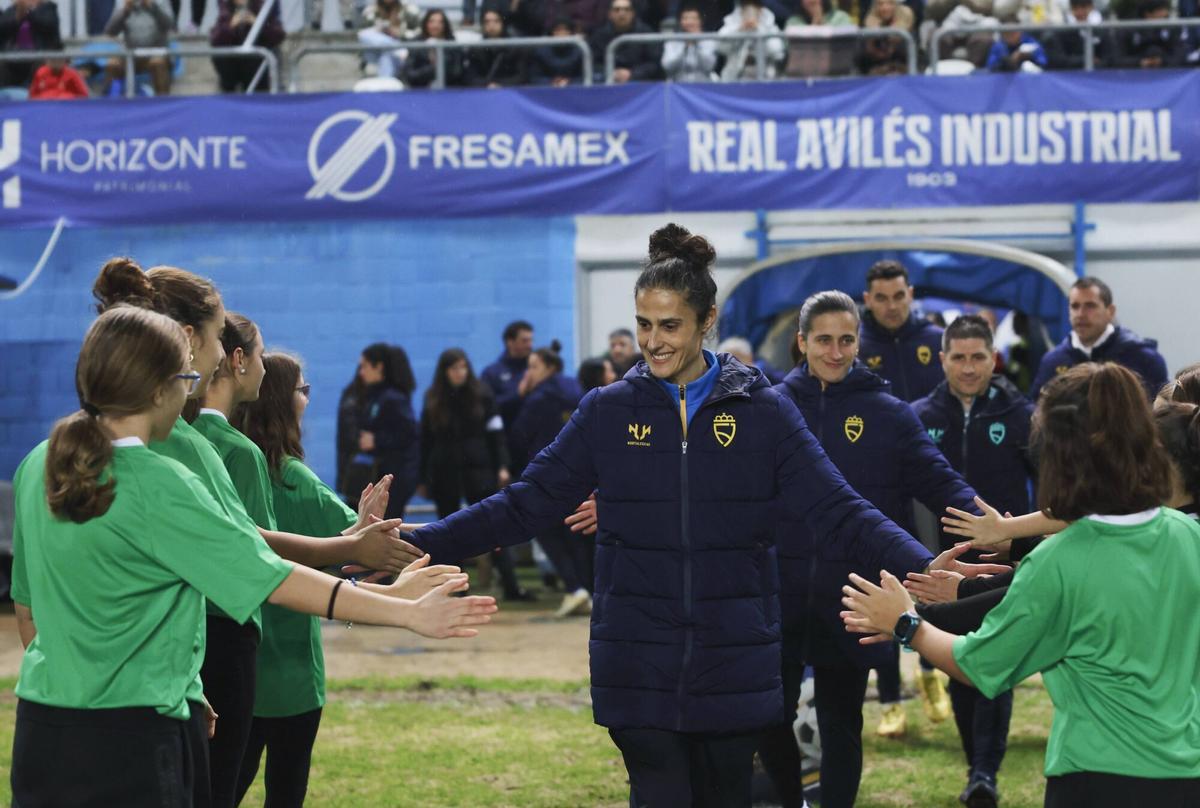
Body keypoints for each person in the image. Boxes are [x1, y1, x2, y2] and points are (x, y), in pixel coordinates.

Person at [397, 223, 937, 807]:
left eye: (670, 326)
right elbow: (525, 503)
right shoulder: (607, 412)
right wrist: (416, 542)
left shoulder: (765, 412)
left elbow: (841, 510)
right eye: (644, 325)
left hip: (735, 659)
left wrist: (929, 569)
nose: (653, 342)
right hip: (638, 661)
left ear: (707, 322)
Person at [8, 306, 496, 807]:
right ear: (159, 390)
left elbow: (33, 612)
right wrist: (403, 609)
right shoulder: (161, 482)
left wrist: (182, 688)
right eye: (186, 378)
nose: (190, 392)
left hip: (43, 728)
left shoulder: (37, 465)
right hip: (130, 737)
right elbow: (271, 576)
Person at [90, 259, 426, 807]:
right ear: (186, 346)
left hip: (72, 714)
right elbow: (253, 559)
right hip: (199, 664)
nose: (226, 355)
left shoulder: (47, 463)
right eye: (222, 337)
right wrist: (389, 597)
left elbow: (35, 617)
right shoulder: (187, 460)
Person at [842, 362, 1200, 808]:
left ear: (1058, 455)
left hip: (1097, 780)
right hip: (1187, 776)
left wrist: (905, 622)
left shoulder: (1059, 560)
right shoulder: (1187, 534)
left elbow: (980, 665)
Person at [758, 291, 997, 808]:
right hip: (777, 592)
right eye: (824, 339)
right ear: (801, 343)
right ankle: (788, 799)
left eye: (847, 340)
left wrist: (1000, 526)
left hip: (856, 595)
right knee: (768, 716)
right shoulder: (771, 408)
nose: (836, 351)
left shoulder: (888, 414)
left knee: (842, 720)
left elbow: (940, 482)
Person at [232, 351, 466, 807]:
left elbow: (351, 541)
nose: (307, 399)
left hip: (239, 664)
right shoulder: (291, 477)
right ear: (283, 400)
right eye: (303, 389)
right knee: (284, 788)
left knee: (221, 784)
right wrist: (471, 530)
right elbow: (371, 546)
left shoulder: (228, 465)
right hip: (289, 670)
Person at [911, 314, 1035, 808]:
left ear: (993, 359)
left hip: (1002, 567)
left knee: (996, 662)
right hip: (945, 565)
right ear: (942, 359)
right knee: (957, 665)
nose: (967, 367)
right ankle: (975, 766)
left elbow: (1050, 488)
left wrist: (1024, 541)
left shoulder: (1020, 413)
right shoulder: (919, 415)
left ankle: (986, 771)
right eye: (958, 357)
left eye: (977, 357)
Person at [417, 348, 533, 602]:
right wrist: (422, 478)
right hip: (445, 470)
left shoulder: (481, 394)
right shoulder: (433, 397)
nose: (459, 373)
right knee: (447, 530)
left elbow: (496, 435)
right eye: (454, 368)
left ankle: (511, 586)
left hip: (479, 469)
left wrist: (502, 466)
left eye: (463, 367)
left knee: (493, 526)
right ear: (445, 371)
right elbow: (425, 440)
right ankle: (456, 586)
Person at [509, 341, 592, 618]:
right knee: (576, 532)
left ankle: (573, 588)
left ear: (549, 367)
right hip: (580, 471)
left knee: (545, 531)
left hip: (546, 475)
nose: (529, 373)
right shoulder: (575, 389)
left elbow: (520, 436)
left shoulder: (537, 398)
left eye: (534, 367)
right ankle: (585, 590)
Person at [1029, 276, 1168, 401]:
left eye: (1090, 306)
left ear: (1110, 311)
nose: (1080, 314)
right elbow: (1037, 412)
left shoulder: (1142, 357)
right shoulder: (1053, 361)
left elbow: (1162, 414)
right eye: (1075, 306)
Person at [344, 343, 420, 520]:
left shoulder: (393, 398)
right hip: (381, 473)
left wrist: (377, 440)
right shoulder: (375, 396)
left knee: (383, 526)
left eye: (364, 366)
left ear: (379, 367)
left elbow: (409, 434)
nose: (360, 372)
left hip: (395, 477)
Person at [858, 259, 945, 403]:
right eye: (881, 298)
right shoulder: (855, 347)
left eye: (898, 296)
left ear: (910, 294)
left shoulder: (938, 340)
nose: (892, 306)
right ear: (867, 300)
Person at [209, 0, 285, 93]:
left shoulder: (262, 8)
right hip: (233, 69)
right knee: (222, 55)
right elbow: (216, 40)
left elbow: (278, 35)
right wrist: (230, 26)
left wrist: (257, 23)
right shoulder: (226, 11)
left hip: (259, 69)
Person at [102, 0, 174, 96]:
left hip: (156, 52)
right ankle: (107, 102)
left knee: (157, 63)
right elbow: (109, 31)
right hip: (131, 54)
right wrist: (125, 12)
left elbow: (170, 25)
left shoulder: (161, 3)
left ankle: (163, 101)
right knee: (112, 64)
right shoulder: (124, 6)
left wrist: (152, 7)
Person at [588, 0, 663, 83]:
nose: (622, 14)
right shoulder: (599, 35)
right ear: (609, 14)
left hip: (641, 82)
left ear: (633, 13)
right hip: (608, 81)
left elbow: (654, 63)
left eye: (627, 9)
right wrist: (611, 72)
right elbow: (592, 62)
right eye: (617, 10)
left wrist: (633, 74)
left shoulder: (646, 33)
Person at [0, 0, 62, 95]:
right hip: (14, 56)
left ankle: (35, 96)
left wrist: (28, 12)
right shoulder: (11, 11)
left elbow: (47, 25)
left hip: (39, 55)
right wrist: (18, 16)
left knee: (41, 66)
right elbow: (3, 28)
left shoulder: (49, 9)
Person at [718, 0, 785, 81]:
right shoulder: (732, 21)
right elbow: (720, 48)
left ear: (760, 8)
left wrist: (759, 29)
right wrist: (740, 31)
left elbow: (777, 52)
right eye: (746, 5)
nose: (750, 10)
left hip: (764, 77)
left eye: (755, 5)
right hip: (736, 76)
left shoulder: (769, 23)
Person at [357, 0, 421, 80]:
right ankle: (397, 49)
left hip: (403, 52)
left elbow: (419, 33)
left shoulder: (410, 10)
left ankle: (395, 49)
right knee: (364, 35)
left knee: (386, 57)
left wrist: (399, 33)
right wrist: (379, 30)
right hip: (375, 52)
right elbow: (363, 35)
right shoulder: (370, 10)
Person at [1112, 0, 1186, 69]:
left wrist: (1163, 61)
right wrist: (1139, 62)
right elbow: (1117, 59)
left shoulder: (1172, 28)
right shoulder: (1129, 28)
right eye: (1160, 10)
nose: (1165, 13)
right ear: (1148, 14)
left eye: (1166, 9)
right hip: (1134, 76)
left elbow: (1180, 55)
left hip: (1168, 75)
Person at [465, 9, 529, 87]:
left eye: (496, 21)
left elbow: (521, 77)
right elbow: (470, 78)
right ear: (483, 25)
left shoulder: (515, 48)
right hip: (483, 92)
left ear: (502, 23)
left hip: (510, 92)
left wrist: (500, 84)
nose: (491, 25)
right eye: (487, 22)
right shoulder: (476, 50)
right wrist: (487, 85)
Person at [401, 9, 465, 88]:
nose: (435, 26)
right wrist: (433, 69)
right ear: (425, 24)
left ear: (445, 25)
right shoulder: (416, 44)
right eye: (432, 21)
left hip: (448, 90)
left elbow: (457, 72)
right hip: (420, 90)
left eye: (440, 22)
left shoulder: (452, 44)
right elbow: (410, 74)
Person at [1045, 0, 1110, 70]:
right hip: (1070, 76)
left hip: (1099, 75)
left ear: (1091, 7)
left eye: (1083, 7)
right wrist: (1085, 60)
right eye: (1075, 8)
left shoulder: (1102, 30)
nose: (1080, 12)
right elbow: (1057, 60)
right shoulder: (1061, 32)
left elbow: (1110, 58)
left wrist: (1097, 63)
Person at [661, 4, 718, 82]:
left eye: (693, 19)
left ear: (700, 21)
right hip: (677, 86)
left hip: (703, 85)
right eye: (685, 18)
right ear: (680, 21)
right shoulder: (672, 41)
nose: (689, 22)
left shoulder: (708, 40)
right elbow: (667, 67)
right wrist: (684, 47)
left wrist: (697, 44)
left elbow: (709, 67)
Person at [858, 0, 912, 75]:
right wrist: (873, 37)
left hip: (902, 74)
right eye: (880, 4)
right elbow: (860, 59)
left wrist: (892, 37)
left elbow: (908, 55)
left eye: (890, 3)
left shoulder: (905, 26)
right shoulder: (869, 27)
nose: (885, 8)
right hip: (875, 75)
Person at [531, 17, 585, 85]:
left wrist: (569, 82)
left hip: (574, 91)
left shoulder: (580, 51)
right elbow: (535, 78)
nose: (561, 33)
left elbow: (585, 77)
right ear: (552, 32)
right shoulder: (541, 52)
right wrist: (551, 82)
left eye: (565, 30)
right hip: (547, 91)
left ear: (571, 32)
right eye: (558, 30)